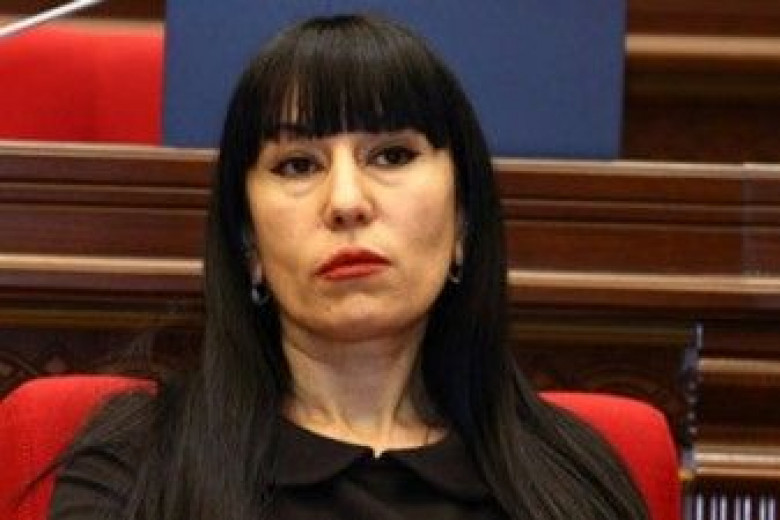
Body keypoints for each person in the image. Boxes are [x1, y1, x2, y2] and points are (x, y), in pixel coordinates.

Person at [49, 14, 649, 520]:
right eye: (298, 165)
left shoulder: (573, 482)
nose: (345, 201)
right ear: (248, 242)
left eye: (391, 155)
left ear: (464, 221)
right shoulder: (137, 470)